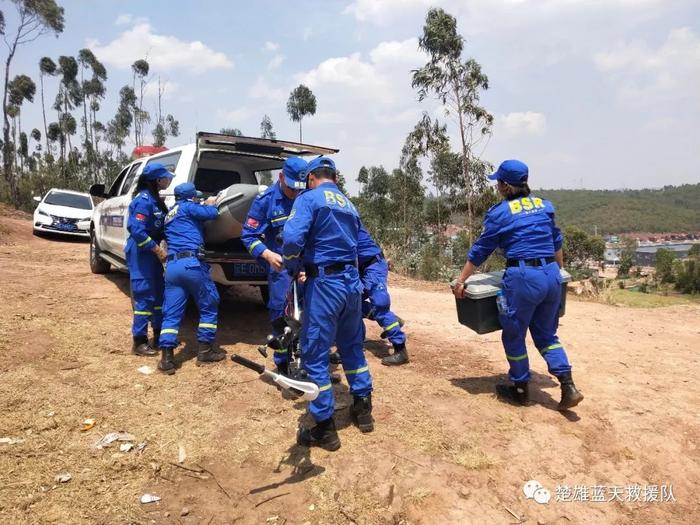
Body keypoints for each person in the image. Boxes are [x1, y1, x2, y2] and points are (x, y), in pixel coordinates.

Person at [452, 160, 584, 410]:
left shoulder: (500, 213)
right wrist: (560, 272)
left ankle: (520, 388)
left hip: (524, 276)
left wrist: (462, 280)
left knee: (514, 333)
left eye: (498, 182)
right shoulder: (544, 206)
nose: (497, 186)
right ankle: (568, 384)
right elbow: (556, 243)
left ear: (505, 186)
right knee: (547, 335)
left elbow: (481, 250)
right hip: (551, 274)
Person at [283, 156, 373, 451]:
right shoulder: (348, 203)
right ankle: (363, 409)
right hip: (351, 283)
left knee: (314, 352)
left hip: (325, 284)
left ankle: (324, 427)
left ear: (310, 178)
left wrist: (292, 263)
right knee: (351, 347)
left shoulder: (309, 198)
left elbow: (293, 238)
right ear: (334, 176)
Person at [241, 157, 308, 374]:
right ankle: (282, 364)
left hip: (306, 268)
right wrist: (268, 254)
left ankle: (305, 363)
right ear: (281, 178)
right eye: (290, 188)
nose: (294, 193)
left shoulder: (307, 197)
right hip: (281, 269)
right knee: (281, 315)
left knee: (308, 314)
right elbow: (248, 236)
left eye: (299, 188)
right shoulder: (266, 200)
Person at [157, 182, 224, 374]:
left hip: (173, 266)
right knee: (209, 303)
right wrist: (212, 202)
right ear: (190, 196)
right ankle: (205, 351)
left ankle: (167, 359)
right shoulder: (189, 207)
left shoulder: (170, 213)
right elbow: (213, 214)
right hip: (192, 264)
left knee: (172, 312)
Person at [125, 163, 172, 356]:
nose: (168, 180)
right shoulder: (143, 201)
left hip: (152, 255)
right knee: (144, 297)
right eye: (165, 177)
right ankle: (139, 341)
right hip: (141, 253)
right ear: (156, 180)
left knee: (159, 296)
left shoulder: (156, 200)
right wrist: (156, 249)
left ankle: (159, 335)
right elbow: (136, 230)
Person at [357, 223, 409, 365]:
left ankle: (400, 350)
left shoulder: (345, 220)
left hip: (372, 265)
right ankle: (356, 346)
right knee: (350, 303)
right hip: (360, 268)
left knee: (380, 306)